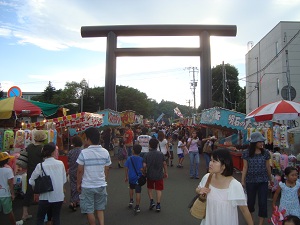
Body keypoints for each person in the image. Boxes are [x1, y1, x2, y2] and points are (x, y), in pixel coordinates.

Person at [196, 148, 253, 225]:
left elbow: (244, 210)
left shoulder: (234, 185)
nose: (210, 163)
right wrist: (199, 191)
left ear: (224, 166)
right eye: (211, 160)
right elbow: (198, 189)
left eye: (214, 161)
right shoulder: (207, 177)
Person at [76, 127, 112, 225]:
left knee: (89, 210)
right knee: (100, 208)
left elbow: (80, 170)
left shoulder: (84, 153)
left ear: (88, 139)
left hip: (87, 185)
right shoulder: (105, 152)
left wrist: (78, 183)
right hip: (101, 184)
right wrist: (104, 179)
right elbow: (107, 168)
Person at [29, 143, 67, 225]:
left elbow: (31, 180)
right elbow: (64, 180)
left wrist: (35, 190)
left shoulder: (41, 165)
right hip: (59, 196)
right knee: (56, 217)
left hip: (45, 196)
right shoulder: (60, 163)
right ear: (53, 152)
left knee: (40, 218)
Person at [241, 132, 273, 225]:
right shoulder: (246, 153)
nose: (262, 143)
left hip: (263, 180)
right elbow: (245, 167)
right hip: (250, 180)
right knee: (250, 202)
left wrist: (270, 179)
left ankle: (260, 223)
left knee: (263, 202)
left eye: (262, 141)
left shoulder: (266, 153)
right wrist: (242, 180)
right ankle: (251, 221)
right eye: (260, 141)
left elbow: (268, 167)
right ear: (254, 142)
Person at [19, 130, 46, 223]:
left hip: (30, 172)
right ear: (43, 138)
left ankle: (24, 214)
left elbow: (23, 160)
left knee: (29, 192)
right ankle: (43, 214)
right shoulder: (43, 148)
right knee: (44, 192)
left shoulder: (29, 147)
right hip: (41, 173)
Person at [143, 138, 168, 212]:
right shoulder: (161, 154)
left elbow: (144, 165)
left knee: (150, 188)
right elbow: (164, 164)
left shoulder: (147, 154)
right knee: (158, 189)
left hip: (150, 174)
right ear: (157, 145)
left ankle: (151, 200)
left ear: (149, 145)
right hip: (159, 174)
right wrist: (166, 172)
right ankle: (158, 204)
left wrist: (144, 172)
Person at [0, 153, 23, 225]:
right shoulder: (8, 170)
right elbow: (10, 183)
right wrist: (12, 194)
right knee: (9, 211)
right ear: (6, 161)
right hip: (5, 194)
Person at [124, 144, 144, 213]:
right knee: (138, 192)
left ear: (133, 151)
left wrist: (126, 176)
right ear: (140, 151)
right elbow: (142, 168)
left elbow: (126, 168)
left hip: (131, 176)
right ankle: (137, 206)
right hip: (138, 177)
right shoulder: (141, 159)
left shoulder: (129, 158)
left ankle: (131, 200)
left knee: (131, 188)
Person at [67, 135, 83, 211]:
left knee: (73, 186)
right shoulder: (83, 151)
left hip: (72, 171)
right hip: (81, 171)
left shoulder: (70, 152)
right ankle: (79, 200)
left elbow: (68, 162)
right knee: (81, 186)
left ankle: (73, 202)